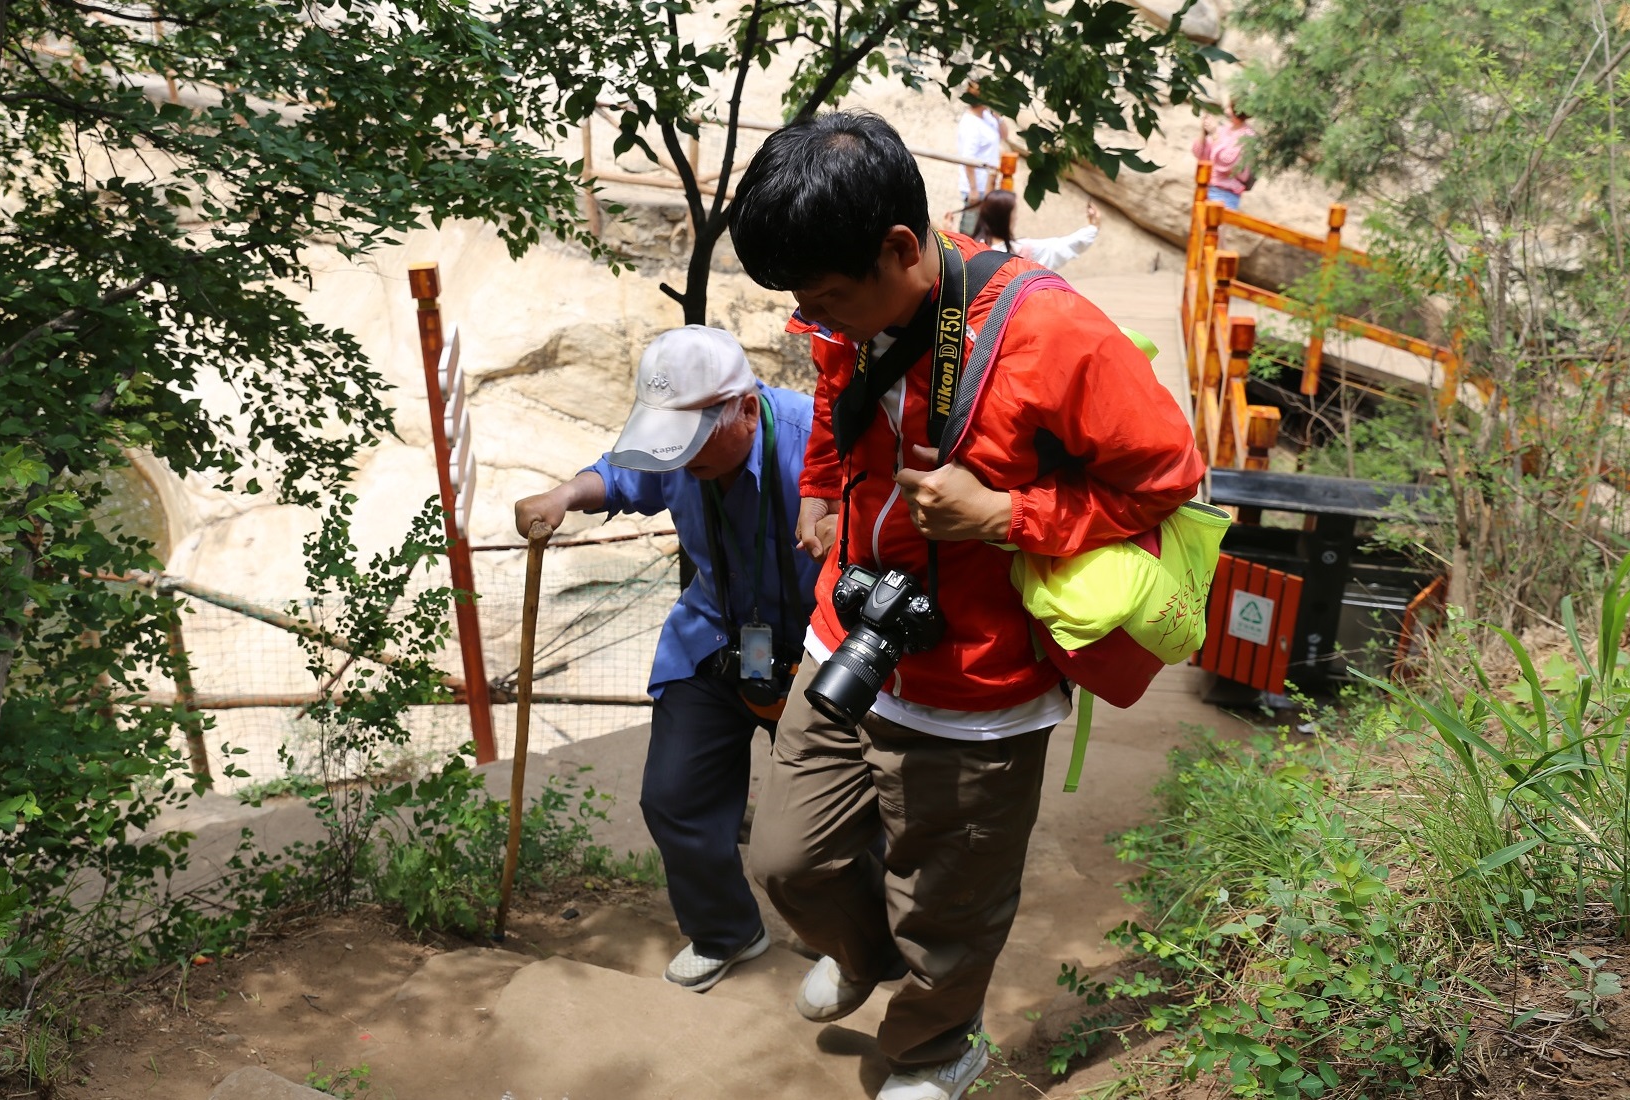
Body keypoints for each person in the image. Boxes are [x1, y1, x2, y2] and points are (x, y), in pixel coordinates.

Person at [727, 112, 1204, 1100]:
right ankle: (863, 953)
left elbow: (1167, 479)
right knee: (788, 857)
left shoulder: (1052, 333)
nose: (819, 321)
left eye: (829, 300)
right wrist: (818, 490)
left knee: (947, 898)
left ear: (902, 248)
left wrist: (1005, 515)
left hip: (979, 680)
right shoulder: (848, 314)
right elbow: (837, 398)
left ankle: (934, 1046)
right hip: (850, 636)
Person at [511, 326, 820, 994]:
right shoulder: (677, 454)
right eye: (667, 440)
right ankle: (726, 931)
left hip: (818, 647)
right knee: (674, 796)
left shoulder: (815, 441)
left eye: (691, 439)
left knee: (825, 814)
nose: (677, 457)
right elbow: (618, 477)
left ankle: (848, 938)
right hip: (717, 635)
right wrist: (562, 496)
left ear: (744, 408)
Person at [971, 188, 1101, 272]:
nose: (1016, 217)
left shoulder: (972, 250)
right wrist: (1093, 227)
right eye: (1014, 212)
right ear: (1006, 218)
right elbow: (1064, 246)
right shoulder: (1021, 251)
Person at [953, 84, 1014, 235]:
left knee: (984, 230)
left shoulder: (987, 116)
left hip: (989, 184)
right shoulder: (971, 124)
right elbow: (968, 158)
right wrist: (973, 189)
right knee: (970, 231)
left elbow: (1005, 135)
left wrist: (998, 116)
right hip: (977, 186)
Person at [1191, 102, 1256, 210]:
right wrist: (1204, 132)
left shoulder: (1247, 136)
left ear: (1239, 110)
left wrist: (1214, 135)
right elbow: (1200, 154)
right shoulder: (1224, 129)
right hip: (1206, 188)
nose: (1226, 111)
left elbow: (1226, 163)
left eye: (1229, 107)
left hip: (1225, 194)